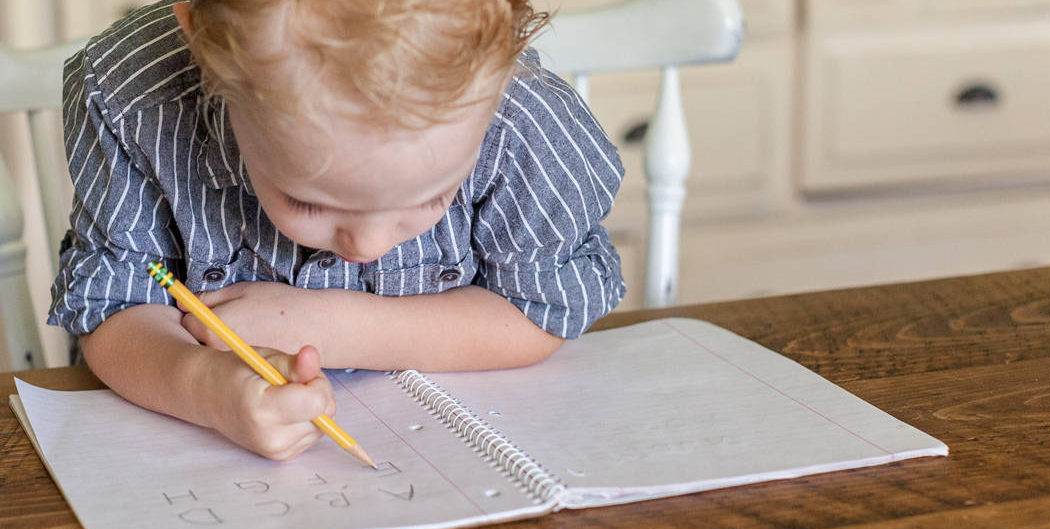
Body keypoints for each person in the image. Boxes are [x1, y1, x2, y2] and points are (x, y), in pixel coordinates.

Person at [49, 0, 625, 460]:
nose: (368, 246)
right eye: (307, 201)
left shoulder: (523, 119)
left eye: (431, 196)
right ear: (206, 46)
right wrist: (205, 388)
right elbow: (111, 309)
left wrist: (330, 326)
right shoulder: (133, 101)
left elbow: (540, 310)